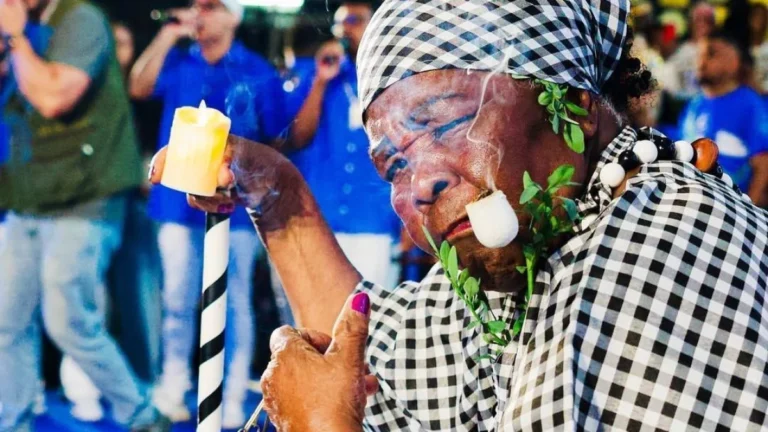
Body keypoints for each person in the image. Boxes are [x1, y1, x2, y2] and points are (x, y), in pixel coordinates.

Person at [149, 0, 768, 430]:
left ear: (576, 110)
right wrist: (277, 194)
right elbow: (397, 365)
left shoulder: (668, 245)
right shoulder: (548, 237)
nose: (418, 185)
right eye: (392, 165)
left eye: (444, 121)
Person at [0, 0, 169, 430]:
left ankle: (141, 413)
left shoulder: (80, 19)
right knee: (5, 323)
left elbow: (55, 97)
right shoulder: (22, 26)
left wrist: (16, 37)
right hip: (28, 197)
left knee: (67, 317)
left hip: (85, 196)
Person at [130, 0, 285, 427]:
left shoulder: (257, 71)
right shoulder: (178, 61)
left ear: (233, 16)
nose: (200, 13)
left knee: (233, 301)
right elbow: (139, 87)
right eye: (196, 5)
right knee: (177, 298)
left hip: (236, 211)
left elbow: (277, 138)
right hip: (176, 207)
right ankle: (173, 383)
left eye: (211, 6)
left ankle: (231, 391)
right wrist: (167, 34)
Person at [58, 21, 163, 423]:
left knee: (141, 299)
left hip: (133, 208)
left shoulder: (142, 92)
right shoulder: (77, 89)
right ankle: (82, 388)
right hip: (86, 208)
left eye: (122, 42)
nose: (114, 49)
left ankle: (143, 386)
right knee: (85, 301)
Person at [280, 1, 402, 290]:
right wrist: (321, 82)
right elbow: (298, 138)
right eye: (340, 23)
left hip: (373, 220)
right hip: (321, 218)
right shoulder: (316, 75)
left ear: (376, 27)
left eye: (355, 21)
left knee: (371, 319)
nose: (345, 29)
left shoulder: (394, 80)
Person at [679, 31, 768, 207]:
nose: (701, 62)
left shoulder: (750, 105)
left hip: (731, 210)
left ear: (734, 63)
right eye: (699, 54)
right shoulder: (694, 104)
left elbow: (763, 165)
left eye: (711, 54)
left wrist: (747, 214)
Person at [666, 2, 716, 100]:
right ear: (690, 23)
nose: (701, 24)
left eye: (706, 20)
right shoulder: (679, 51)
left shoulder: (720, 51)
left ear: (713, 25)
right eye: (697, 20)